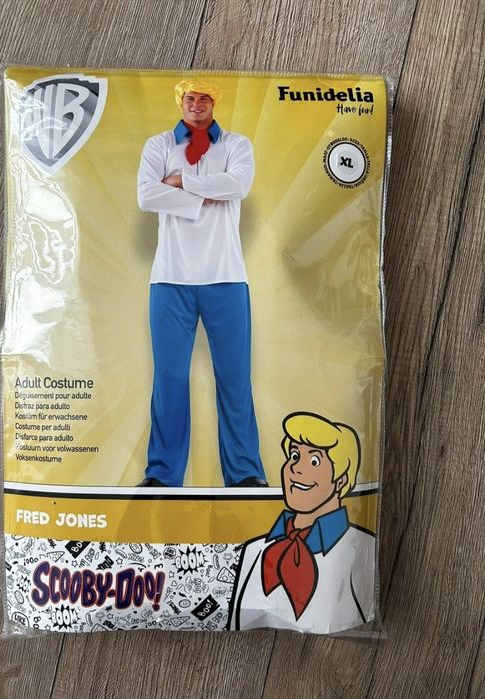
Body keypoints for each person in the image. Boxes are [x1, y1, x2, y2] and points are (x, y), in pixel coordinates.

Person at [136, 79, 267, 488]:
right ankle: (162, 475)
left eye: (204, 98)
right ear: (181, 101)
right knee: (169, 380)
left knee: (235, 379)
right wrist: (205, 196)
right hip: (169, 278)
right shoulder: (159, 145)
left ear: (214, 102)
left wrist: (180, 182)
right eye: (190, 98)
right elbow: (146, 196)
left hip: (226, 276)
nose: (196, 104)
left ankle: (245, 474)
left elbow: (238, 185)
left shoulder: (236, 145)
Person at [227, 412, 376, 633]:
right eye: (294, 455)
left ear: (341, 480)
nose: (295, 468)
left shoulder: (359, 547)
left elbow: (362, 619)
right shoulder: (255, 550)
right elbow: (236, 621)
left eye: (314, 461)